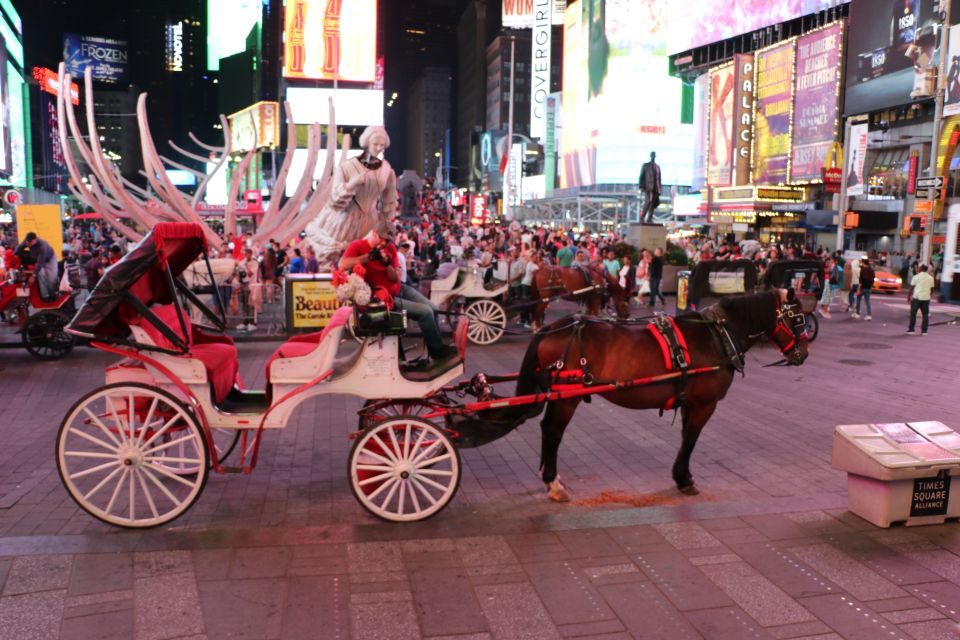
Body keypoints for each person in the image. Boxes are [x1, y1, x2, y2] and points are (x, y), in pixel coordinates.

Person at [339, 227, 456, 363]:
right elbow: (343, 264)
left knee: (434, 309)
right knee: (425, 313)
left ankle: (435, 347)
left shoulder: (391, 248)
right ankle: (437, 351)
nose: (385, 243)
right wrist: (368, 257)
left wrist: (387, 264)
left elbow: (396, 278)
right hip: (383, 298)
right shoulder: (357, 246)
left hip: (399, 289)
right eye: (382, 239)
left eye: (388, 241)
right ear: (374, 233)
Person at [305, 126, 398, 267]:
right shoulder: (347, 167)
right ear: (367, 143)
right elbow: (335, 201)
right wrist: (353, 183)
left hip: (370, 221)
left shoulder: (386, 169)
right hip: (344, 221)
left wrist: (386, 224)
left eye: (382, 145)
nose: (379, 148)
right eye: (375, 144)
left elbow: (388, 201)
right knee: (336, 262)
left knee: (367, 261)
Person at [15, 232, 58, 300]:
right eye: (27, 242)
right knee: (41, 276)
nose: (28, 244)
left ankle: (53, 295)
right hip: (38, 259)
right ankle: (45, 296)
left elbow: (40, 262)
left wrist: (33, 276)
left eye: (30, 242)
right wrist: (14, 256)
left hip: (49, 259)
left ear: (35, 240)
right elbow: (19, 248)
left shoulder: (42, 245)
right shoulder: (27, 241)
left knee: (51, 278)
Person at [907, 264, 935, 335]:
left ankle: (911, 330)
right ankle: (924, 331)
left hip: (917, 298)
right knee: (925, 315)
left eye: (919, 268)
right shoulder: (930, 278)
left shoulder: (916, 277)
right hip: (926, 298)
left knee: (913, 314)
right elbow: (932, 289)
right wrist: (929, 296)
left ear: (920, 269)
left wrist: (908, 297)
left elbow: (911, 288)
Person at [638, 151, 661, 224]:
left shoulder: (657, 167)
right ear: (650, 156)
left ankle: (649, 218)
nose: (653, 157)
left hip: (656, 188)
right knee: (648, 202)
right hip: (648, 187)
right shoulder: (646, 165)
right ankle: (642, 217)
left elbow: (659, 179)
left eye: (654, 155)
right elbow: (641, 176)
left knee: (653, 203)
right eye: (652, 155)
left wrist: (660, 189)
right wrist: (641, 187)